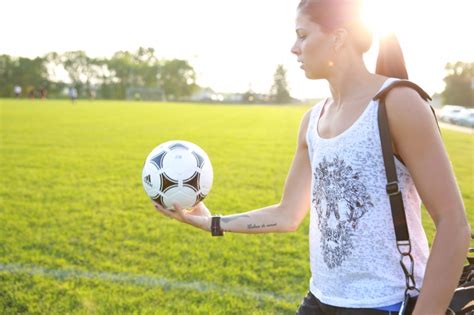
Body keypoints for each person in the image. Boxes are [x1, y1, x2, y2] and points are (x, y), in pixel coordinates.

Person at [153, 1, 471, 314]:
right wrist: (211, 222)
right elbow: (288, 214)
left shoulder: (398, 103)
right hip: (320, 300)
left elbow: (453, 224)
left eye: (302, 35)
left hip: (385, 304)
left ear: (338, 38)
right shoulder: (312, 120)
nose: (294, 48)